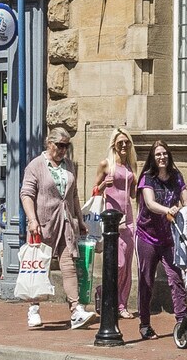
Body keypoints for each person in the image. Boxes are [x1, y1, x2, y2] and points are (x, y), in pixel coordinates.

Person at [19, 125, 91, 331]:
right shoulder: (36, 166)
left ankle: (76, 310)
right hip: (43, 223)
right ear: (49, 144)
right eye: (60, 146)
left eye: (66, 146)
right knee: (39, 266)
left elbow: (74, 194)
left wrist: (80, 218)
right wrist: (32, 220)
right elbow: (26, 194)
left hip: (66, 221)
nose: (63, 150)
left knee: (68, 266)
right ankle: (33, 308)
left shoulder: (68, 165)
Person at [134, 139, 187, 341]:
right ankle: (145, 324)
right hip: (147, 236)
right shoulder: (147, 178)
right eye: (158, 154)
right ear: (153, 157)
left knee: (176, 278)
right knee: (146, 280)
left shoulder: (176, 176)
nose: (162, 157)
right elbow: (149, 203)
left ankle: (182, 321)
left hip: (168, 237)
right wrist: (169, 210)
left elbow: (186, 199)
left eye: (164, 153)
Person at [89, 129, 138, 320]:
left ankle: (121, 304)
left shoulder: (130, 165)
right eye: (120, 143)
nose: (124, 146)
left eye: (127, 142)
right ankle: (104, 290)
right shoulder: (106, 164)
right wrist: (103, 186)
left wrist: (136, 182)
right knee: (118, 263)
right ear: (114, 145)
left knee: (127, 266)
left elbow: (133, 195)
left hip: (129, 219)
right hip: (111, 220)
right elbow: (94, 191)